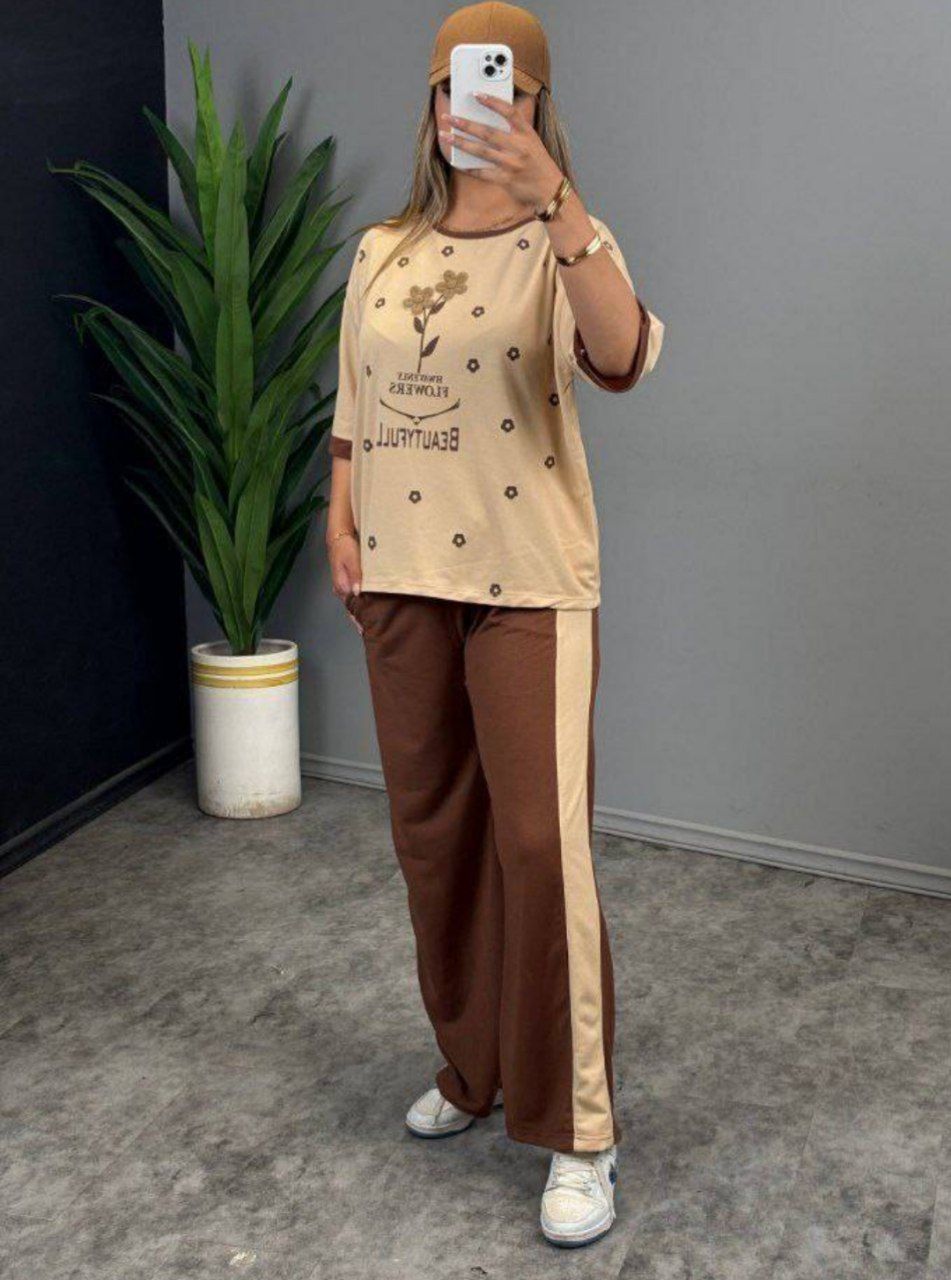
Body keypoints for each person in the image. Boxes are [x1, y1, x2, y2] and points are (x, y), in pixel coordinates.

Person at [325, 0, 663, 1248]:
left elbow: (625, 355)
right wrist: (341, 515)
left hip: (528, 581)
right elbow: (355, 401)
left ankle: (579, 1128)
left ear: (533, 106)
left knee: (538, 845)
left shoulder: (564, 239)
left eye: (505, 90)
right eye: (458, 87)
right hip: (401, 576)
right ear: (430, 103)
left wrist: (558, 204)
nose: (477, 107)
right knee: (435, 838)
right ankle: (473, 1069)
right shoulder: (382, 249)